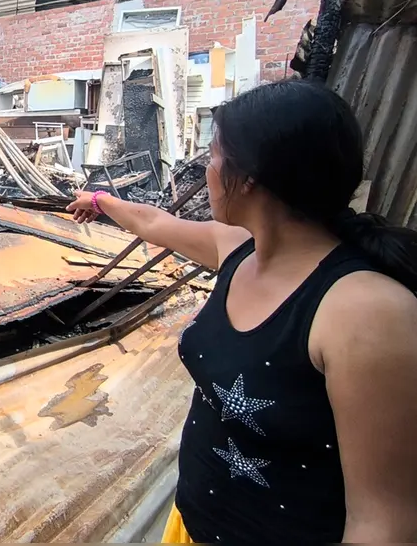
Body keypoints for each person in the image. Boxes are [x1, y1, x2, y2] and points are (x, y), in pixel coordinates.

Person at [66, 79, 417, 543]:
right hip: (192, 524)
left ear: (248, 175)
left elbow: (384, 523)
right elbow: (156, 222)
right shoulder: (238, 250)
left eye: (212, 157)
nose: (206, 171)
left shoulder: (366, 313)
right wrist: (99, 201)